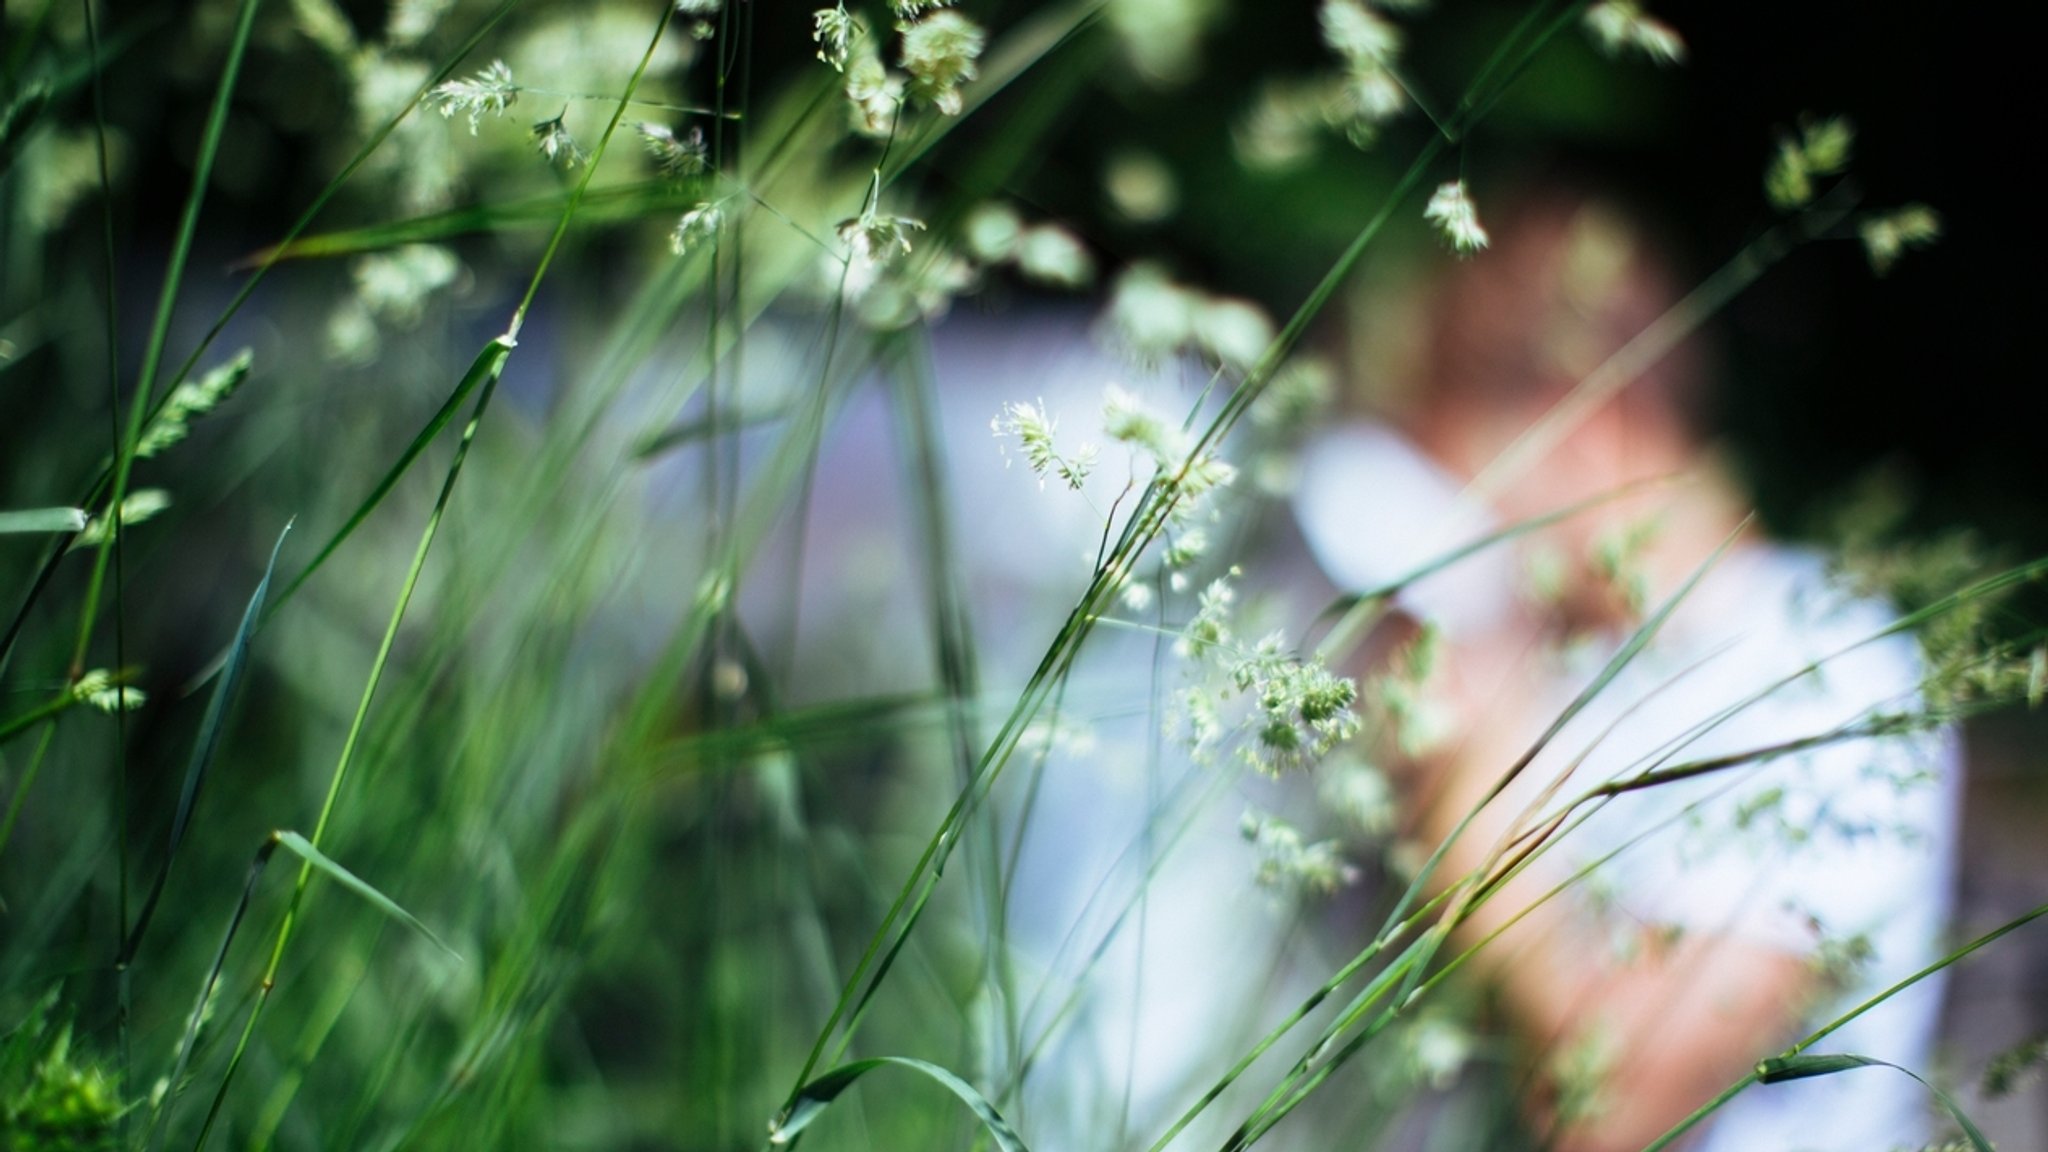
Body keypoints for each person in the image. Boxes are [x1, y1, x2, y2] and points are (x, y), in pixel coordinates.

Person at [1294, 188, 1960, 1150]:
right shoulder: (1564, 658)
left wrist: (1472, 796)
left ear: (1581, 415)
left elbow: (1615, 1098)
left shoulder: (1818, 664)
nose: (1471, 547)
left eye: (1470, 488)